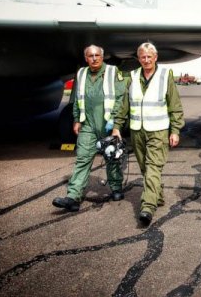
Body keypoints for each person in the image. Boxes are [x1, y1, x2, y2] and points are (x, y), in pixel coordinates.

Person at [112, 42, 184, 225]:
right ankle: (157, 196)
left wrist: (175, 130)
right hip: (137, 131)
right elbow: (124, 105)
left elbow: (175, 105)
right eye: (142, 57)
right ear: (139, 59)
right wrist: (117, 126)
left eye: (149, 57)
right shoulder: (133, 76)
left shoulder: (165, 75)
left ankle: (147, 207)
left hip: (159, 131)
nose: (146, 60)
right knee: (145, 168)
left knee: (153, 167)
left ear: (155, 57)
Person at [52, 45, 126, 212]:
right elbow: (78, 98)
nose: (94, 58)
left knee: (112, 156)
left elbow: (121, 100)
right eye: (90, 56)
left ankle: (116, 188)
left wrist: (116, 125)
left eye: (97, 55)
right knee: (82, 158)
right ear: (86, 58)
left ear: (102, 56)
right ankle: (73, 197)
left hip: (107, 123)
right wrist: (77, 119)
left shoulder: (113, 72)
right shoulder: (82, 73)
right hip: (88, 124)